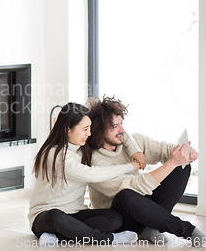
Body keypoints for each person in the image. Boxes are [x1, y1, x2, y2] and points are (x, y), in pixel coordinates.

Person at [86, 96, 206, 246]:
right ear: (98, 128)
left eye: (121, 124)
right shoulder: (94, 162)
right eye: (114, 126)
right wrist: (173, 162)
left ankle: (151, 227)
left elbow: (166, 150)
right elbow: (134, 186)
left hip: (145, 206)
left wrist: (186, 153)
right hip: (122, 217)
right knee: (126, 195)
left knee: (182, 166)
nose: (122, 130)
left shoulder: (133, 141)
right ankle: (185, 230)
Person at [28, 102, 141, 247]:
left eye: (90, 128)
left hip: (76, 213)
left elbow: (114, 129)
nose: (89, 133)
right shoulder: (54, 154)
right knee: (56, 217)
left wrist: (135, 151)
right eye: (85, 129)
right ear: (68, 130)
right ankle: (108, 239)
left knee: (115, 218)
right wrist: (129, 167)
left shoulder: (83, 148)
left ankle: (58, 237)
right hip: (45, 216)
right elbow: (92, 175)